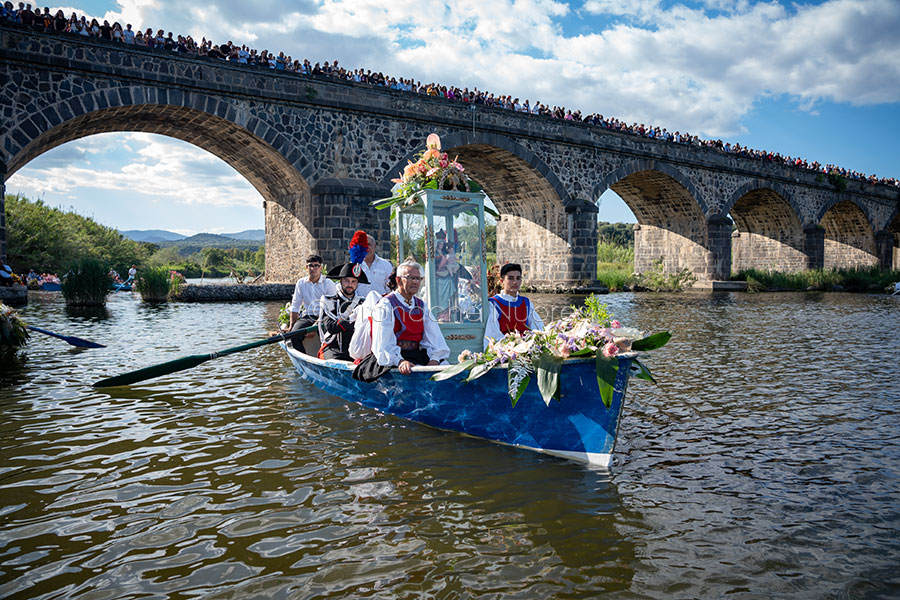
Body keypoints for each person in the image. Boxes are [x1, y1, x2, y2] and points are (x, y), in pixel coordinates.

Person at [355, 259, 448, 380]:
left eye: (418, 278)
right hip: (393, 358)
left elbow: (435, 338)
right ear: (398, 280)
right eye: (410, 278)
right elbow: (383, 343)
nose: (415, 282)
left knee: (445, 368)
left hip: (416, 355)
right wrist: (399, 361)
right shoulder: (386, 305)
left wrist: (434, 360)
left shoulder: (421, 306)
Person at [483, 263, 545, 349]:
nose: (515, 282)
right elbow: (492, 334)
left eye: (518, 278)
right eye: (510, 278)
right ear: (502, 281)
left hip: (527, 349)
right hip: (505, 351)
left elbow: (538, 328)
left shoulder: (526, 303)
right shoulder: (494, 304)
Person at [317, 262, 367, 361]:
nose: (350, 285)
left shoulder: (363, 303)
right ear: (340, 281)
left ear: (357, 283)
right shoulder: (329, 301)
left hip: (356, 349)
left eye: (353, 281)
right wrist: (353, 318)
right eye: (346, 281)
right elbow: (331, 327)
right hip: (334, 348)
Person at [288, 254, 336, 348]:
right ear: (306, 267)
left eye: (316, 266)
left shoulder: (328, 283)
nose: (313, 268)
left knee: (331, 336)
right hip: (308, 316)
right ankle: (302, 357)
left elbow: (331, 308)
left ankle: (328, 356)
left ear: (321, 268)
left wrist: (315, 326)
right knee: (294, 335)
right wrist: (291, 326)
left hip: (325, 317)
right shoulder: (301, 283)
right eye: (310, 265)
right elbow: (295, 305)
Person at [354, 232, 393, 296]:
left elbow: (390, 288)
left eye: (368, 244)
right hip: (358, 304)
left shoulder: (386, 265)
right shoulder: (353, 265)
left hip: (381, 304)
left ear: (374, 246)